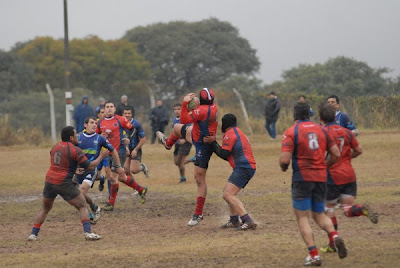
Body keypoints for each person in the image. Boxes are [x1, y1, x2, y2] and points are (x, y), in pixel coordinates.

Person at [279, 102, 347, 266]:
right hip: (321, 177)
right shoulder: (322, 129)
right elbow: (336, 154)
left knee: (303, 217)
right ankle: (334, 236)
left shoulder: (291, 131)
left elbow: (284, 160)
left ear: (294, 115)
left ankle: (314, 255)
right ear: (309, 115)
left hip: (302, 178)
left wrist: (284, 167)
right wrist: (325, 166)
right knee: (319, 214)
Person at [319, 104, 378, 253]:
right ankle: (362, 210)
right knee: (347, 209)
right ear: (335, 117)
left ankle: (333, 241)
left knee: (328, 210)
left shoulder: (322, 133)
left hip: (332, 176)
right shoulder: (347, 132)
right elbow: (359, 150)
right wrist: (346, 158)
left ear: (321, 119)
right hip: (349, 174)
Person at [28, 126, 106, 242]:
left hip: (49, 181)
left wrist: (74, 170)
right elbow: (90, 166)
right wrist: (101, 156)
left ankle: (33, 234)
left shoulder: (55, 147)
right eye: (75, 135)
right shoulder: (76, 150)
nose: (77, 137)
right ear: (71, 137)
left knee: (45, 208)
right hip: (63, 182)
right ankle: (88, 233)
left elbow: (59, 164)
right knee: (83, 205)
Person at [156, 88, 218, 226]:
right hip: (196, 133)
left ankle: (198, 213)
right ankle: (167, 143)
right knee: (177, 128)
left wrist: (185, 103)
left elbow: (184, 119)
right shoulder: (213, 107)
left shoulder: (202, 111)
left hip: (203, 144)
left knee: (199, 179)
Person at [204, 114, 257, 230]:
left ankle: (247, 220)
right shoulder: (237, 131)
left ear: (224, 124)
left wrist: (213, 143)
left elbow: (224, 154)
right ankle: (234, 221)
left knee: (228, 195)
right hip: (246, 167)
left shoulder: (230, 134)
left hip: (244, 167)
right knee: (228, 193)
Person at [96, 101, 147, 211]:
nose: (109, 109)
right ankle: (141, 189)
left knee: (113, 178)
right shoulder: (100, 123)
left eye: (111, 107)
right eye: (107, 107)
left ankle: (110, 203)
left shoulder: (121, 119)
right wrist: (100, 136)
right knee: (120, 177)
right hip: (107, 153)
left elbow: (133, 129)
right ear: (104, 110)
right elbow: (96, 136)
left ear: (114, 109)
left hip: (120, 152)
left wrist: (129, 138)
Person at [76, 116, 123, 223]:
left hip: (91, 170)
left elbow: (114, 151)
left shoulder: (100, 138)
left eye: (95, 124)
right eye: (91, 123)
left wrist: (118, 166)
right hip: (78, 171)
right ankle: (94, 206)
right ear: (85, 125)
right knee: (78, 194)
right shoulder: (78, 137)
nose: (94, 125)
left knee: (81, 191)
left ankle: (89, 215)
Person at [172, 103, 192, 183]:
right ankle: (193, 159)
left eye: (178, 109)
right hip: (177, 142)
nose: (176, 111)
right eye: (175, 109)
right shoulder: (174, 119)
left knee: (180, 161)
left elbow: (190, 129)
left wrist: (185, 139)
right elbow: (174, 131)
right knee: (176, 162)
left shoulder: (185, 118)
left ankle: (183, 178)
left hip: (186, 142)